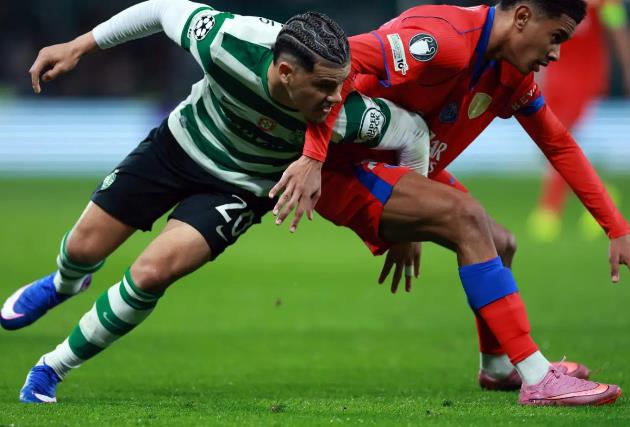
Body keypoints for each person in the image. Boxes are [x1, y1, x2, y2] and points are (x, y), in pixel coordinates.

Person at [1, 0, 432, 403]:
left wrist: (409, 228)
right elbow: (161, 10)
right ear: (285, 71)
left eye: (341, 83)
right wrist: (78, 46)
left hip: (241, 188)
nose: (337, 98)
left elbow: (413, 133)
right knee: (82, 249)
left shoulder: (348, 114)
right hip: (176, 148)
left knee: (152, 273)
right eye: (324, 86)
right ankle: (66, 283)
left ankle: (51, 368)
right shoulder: (228, 42)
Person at [270, 0, 629, 405]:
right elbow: (339, 60)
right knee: (466, 217)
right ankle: (538, 377)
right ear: (522, 17)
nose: (556, 53)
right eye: (555, 37)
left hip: (399, 167)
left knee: (501, 242)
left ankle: (497, 367)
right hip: (342, 166)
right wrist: (313, 157)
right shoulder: (442, 39)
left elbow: (558, 144)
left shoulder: (511, 75)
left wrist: (617, 228)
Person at [528, 0, 630, 241]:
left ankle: (549, 209)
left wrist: (627, 69)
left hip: (586, 76)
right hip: (556, 73)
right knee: (547, 141)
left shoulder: (605, 3)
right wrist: (537, 72)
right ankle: (603, 194)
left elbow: (618, 33)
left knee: (561, 137)